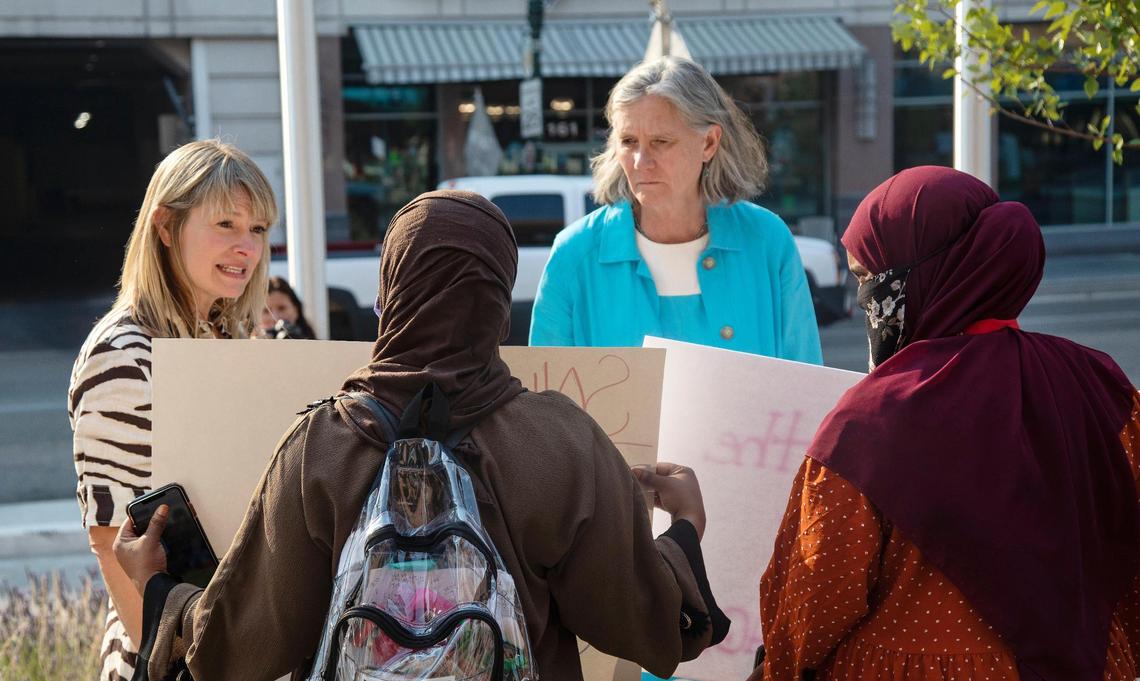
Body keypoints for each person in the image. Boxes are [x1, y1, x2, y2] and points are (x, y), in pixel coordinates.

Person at [112, 190, 730, 681]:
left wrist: (156, 585)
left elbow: (232, 651)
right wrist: (685, 528)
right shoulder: (561, 444)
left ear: (391, 292)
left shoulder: (321, 447)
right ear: (497, 296)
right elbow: (650, 625)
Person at [753, 166, 1140, 680]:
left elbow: (810, 602)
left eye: (869, 278)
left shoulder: (872, 420)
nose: (866, 300)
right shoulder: (1100, 382)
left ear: (920, 277)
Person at [67, 139, 276, 679]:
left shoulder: (225, 337)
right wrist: (171, 665)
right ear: (165, 227)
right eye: (226, 224)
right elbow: (113, 539)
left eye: (257, 229)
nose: (246, 248)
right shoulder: (123, 352)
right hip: (171, 655)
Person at [530, 57, 822, 363]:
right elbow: (546, 402)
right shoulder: (575, 254)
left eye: (661, 141)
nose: (641, 161)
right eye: (628, 141)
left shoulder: (766, 241)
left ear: (709, 142)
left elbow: (807, 384)